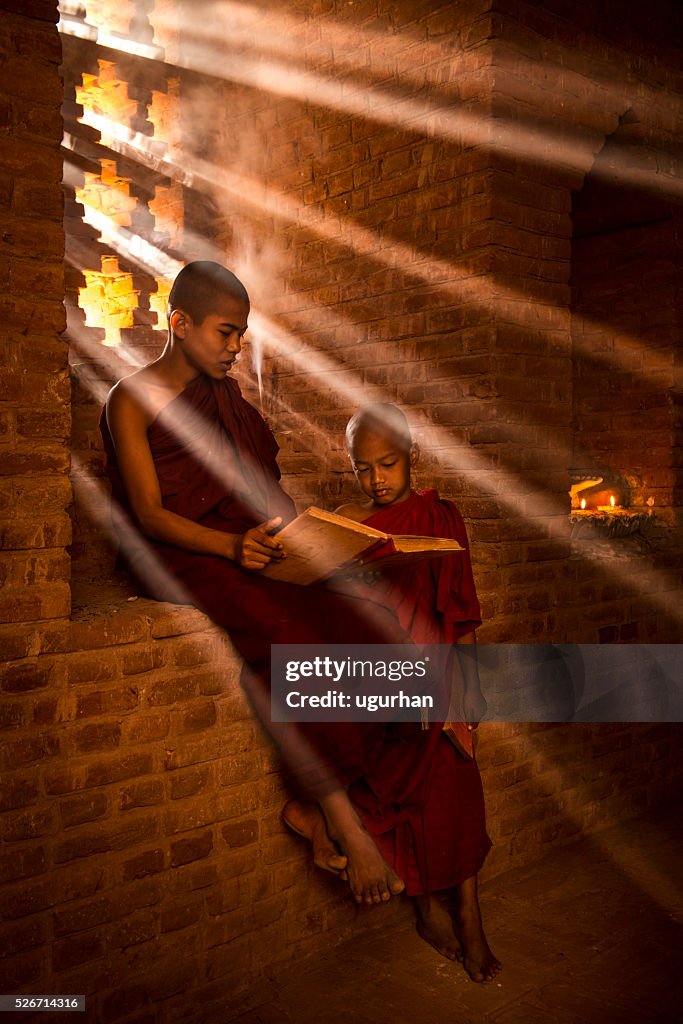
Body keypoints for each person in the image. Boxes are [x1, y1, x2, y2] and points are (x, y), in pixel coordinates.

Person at [100, 261, 412, 907]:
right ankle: (341, 821)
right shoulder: (130, 398)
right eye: (224, 333)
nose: (234, 348)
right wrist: (230, 546)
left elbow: (259, 496)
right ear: (179, 324)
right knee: (283, 632)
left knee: (356, 616)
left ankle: (308, 802)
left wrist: (315, 548)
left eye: (241, 334)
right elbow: (150, 512)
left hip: (246, 542)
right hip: (176, 550)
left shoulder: (228, 401)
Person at [285, 403, 500, 982]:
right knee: (402, 797)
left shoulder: (441, 516)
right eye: (363, 469)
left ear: (412, 458)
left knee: (459, 790)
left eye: (389, 464)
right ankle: (428, 911)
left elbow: (463, 610)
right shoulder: (347, 525)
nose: (377, 480)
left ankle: (470, 915)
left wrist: (470, 695)